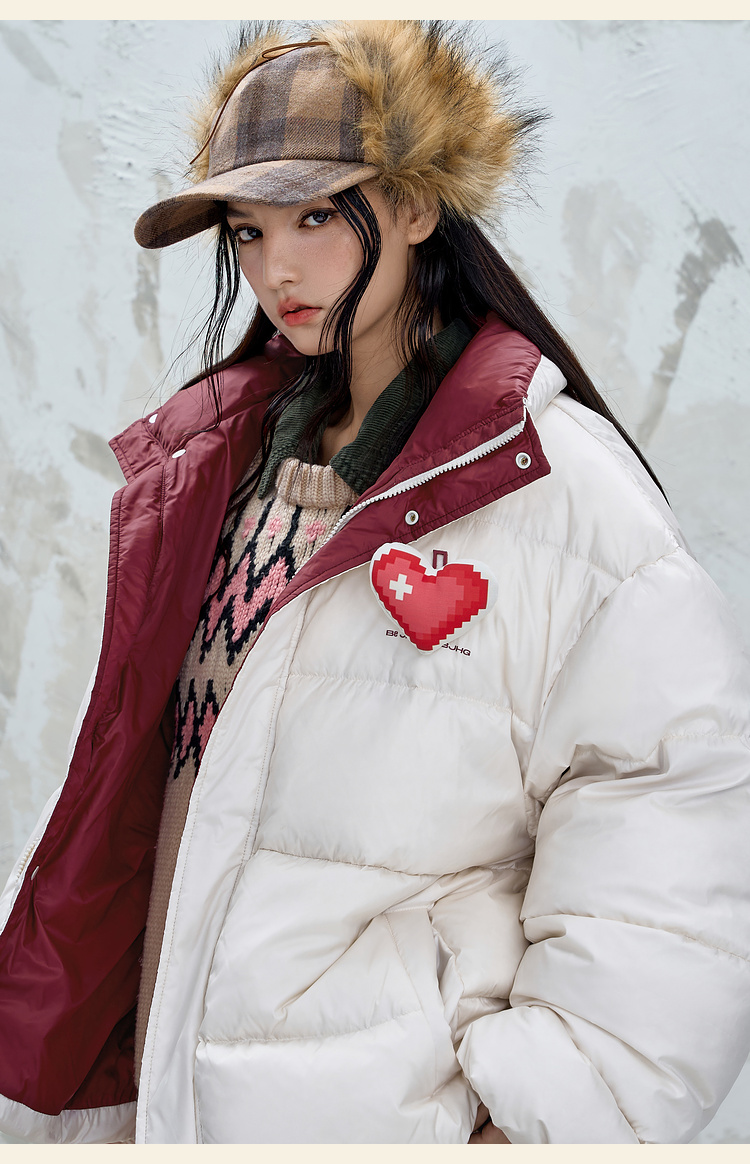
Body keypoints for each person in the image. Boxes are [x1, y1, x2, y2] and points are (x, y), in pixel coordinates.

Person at [0, 19, 749, 1146]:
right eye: (248, 231)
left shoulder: (560, 492)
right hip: (173, 1104)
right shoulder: (216, 473)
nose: (276, 269)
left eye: (314, 216)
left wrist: (539, 1125)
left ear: (414, 206)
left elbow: (670, 824)